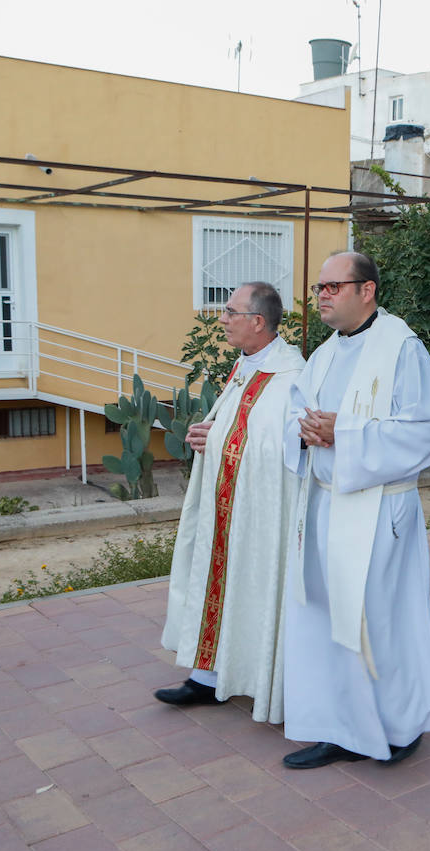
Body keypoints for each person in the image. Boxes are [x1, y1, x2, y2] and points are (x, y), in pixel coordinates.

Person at [280, 252, 430, 769]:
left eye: (334, 286)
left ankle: (399, 726)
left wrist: (341, 434)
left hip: (378, 513)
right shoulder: (324, 354)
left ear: (367, 290)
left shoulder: (402, 348)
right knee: (327, 617)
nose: (322, 295)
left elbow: (424, 432)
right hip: (326, 506)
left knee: (379, 622)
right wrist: (303, 434)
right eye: (320, 287)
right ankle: (338, 725)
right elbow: (296, 411)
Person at [157, 282, 306, 717]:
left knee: (253, 586)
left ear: (257, 322)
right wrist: (211, 431)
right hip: (228, 504)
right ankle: (208, 676)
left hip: (261, 513)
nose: (221, 320)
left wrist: (220, 435)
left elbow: (286, 447)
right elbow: (240, 428)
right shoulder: (247, 365)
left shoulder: (291, 376)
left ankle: (253, 673)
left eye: (230, 312)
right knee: (217, 578)